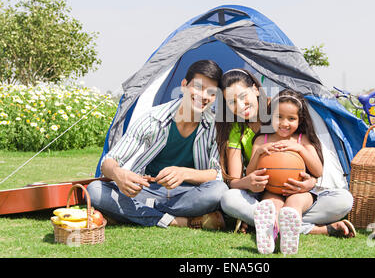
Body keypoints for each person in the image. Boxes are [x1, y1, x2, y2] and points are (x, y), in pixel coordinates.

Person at [87, 60, 228, 230]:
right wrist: (119, 174)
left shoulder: (215, 126)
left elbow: (216, 175)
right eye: (198, 87)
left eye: (211, 92)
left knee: (218, 191)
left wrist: (184, 173)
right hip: (148, 190)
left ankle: (134, 214)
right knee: (95, 190)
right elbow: (109, 161)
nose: (204, 96)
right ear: (184, 85)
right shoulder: (153, 118)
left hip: (187, 195)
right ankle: (180, 221)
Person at [217, 68, 356, 239]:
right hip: (266, 192)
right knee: (229, 199)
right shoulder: (240, 131)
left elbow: (316, 170)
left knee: (344, 200)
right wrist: (249, 181)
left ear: (254, 89)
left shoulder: (281, 106)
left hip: (298, 192)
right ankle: (306, 227)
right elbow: (235, 181)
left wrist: (310, 183)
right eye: (231, 102)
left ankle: (268, 223)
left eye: (243, 96)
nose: (239, 106)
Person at [246, 89, 324, 254]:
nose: (284, 123)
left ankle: (289, 232)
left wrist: (300, 149)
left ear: (300, 120)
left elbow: (318, 171)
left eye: (291, 118)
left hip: (298, 190)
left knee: (293, 205)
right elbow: (249, 173)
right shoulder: (262, 140)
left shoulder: (302, 139)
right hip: (272, 189)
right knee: (271, 206)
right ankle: (272, 235)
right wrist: (259, 152)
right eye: (278, 117)